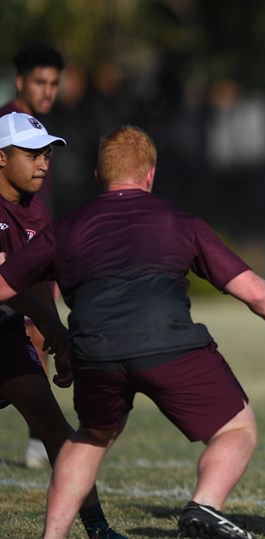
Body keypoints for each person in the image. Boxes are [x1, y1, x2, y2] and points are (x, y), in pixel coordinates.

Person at [0, 125, 265, 539]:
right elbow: (254, 292)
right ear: (150, 174)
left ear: (98, 176)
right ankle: (204, 507)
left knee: (91, 437)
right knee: (237, 429)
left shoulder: (65, 226)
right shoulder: (179, 221)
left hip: (95, 351)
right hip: (169, 345)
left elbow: (4, 286)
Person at [0, 112, 125, 538]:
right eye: (32, 154)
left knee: (55, 429)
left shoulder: (35, 211)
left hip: (5, 339)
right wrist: (45, 321)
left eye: (47, 155)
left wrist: (59, 335)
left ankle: (98, 528)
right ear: (1, 157)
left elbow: (39, 281)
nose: (43, 164)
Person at [0, 43, 65, 468]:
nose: (48, 91)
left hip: (28, 251)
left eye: (54, 83)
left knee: (37, 332)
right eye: (40, 81)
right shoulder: (6, 127)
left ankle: (40, 436)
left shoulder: (39, 134)